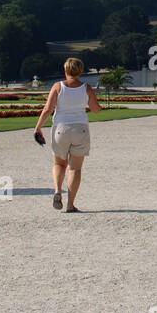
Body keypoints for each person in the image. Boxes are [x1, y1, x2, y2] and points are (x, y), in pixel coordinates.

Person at [32, 58, 102, 212]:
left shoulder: (58, 86)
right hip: (80, 129)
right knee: (75, 169)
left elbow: (47, 109)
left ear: (65, 71)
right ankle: (70, 205)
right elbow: (96, 110)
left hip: (60, 129)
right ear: (80, 71)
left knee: (59, 164)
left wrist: (38, 128)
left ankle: (58, 190)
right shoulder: (86, 88)